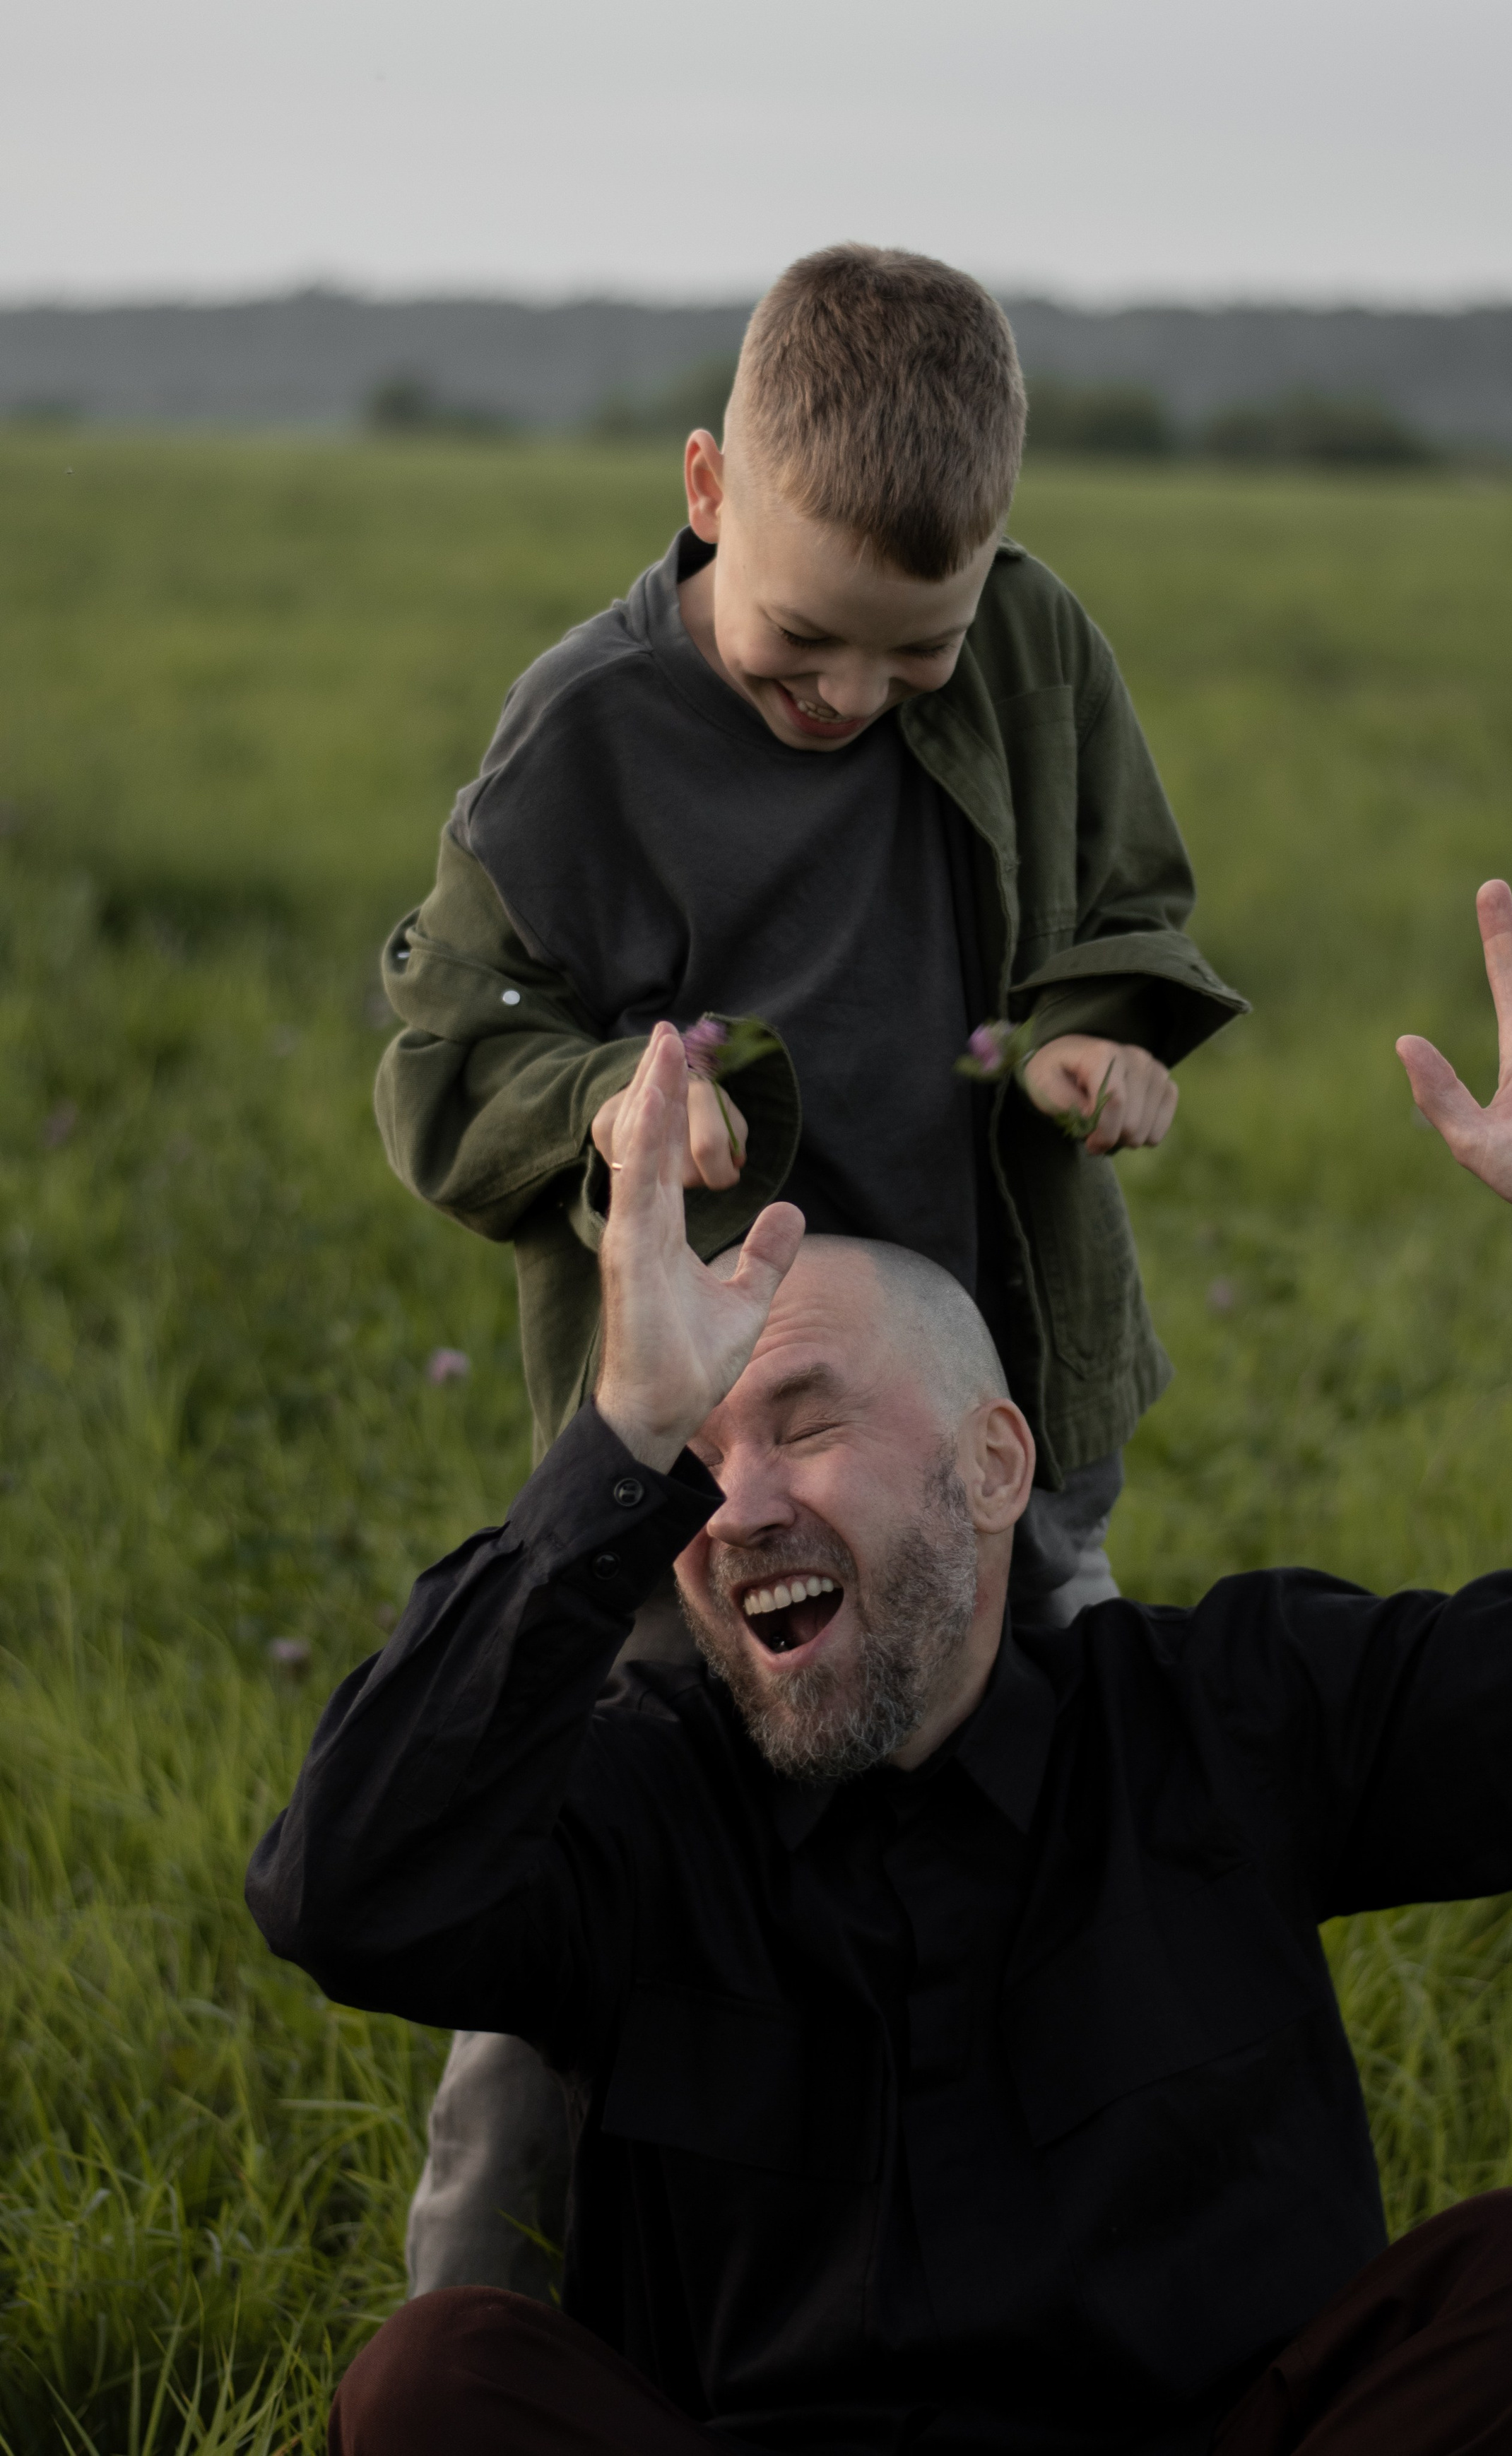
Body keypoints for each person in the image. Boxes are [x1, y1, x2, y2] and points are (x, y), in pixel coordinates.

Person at [252, 845, 1512, 2453]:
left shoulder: (1222, 1719)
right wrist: (616, 1438)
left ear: (995, 1466)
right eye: (699, 1459)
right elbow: (341, 1896)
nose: (737, 1505)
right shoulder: (645, 1804)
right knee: (436, 2379)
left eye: (803, 1422)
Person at [372, 243, 1245, 2296]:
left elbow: (1116, 899)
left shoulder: (1034, 651)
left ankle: (1095, 2290)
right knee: (598, 1860)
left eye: (908, 658)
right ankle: (485, 2315)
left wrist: (1083, 1036)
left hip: (976, 1417)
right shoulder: (577, 743)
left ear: (992, 573)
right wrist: (609, 1105)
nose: (848, 699)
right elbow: (440, 1070)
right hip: (712, 1450)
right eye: (798, 648)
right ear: (705, 489)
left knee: (1074, 1841)